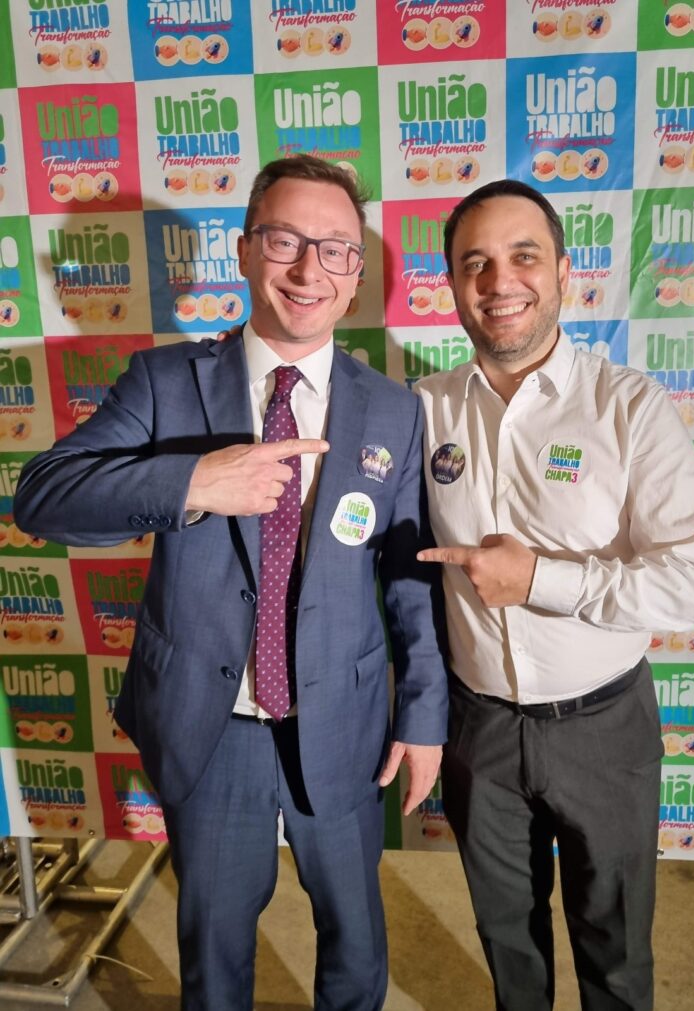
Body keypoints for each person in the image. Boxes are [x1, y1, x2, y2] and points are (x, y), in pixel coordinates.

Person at [13, 155, 449, 1011]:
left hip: (343, 722)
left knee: (357, 947)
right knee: (213, 959)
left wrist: (425, 712)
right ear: (246, 251)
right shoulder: (165, 382)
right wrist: (192, 483)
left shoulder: (394, 409)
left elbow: (408, 576)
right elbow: (43, 496)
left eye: (334, 248)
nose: (308, 269)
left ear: (356, 271)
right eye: (284, 240)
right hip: (212, 731)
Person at [415, 179, 694, 1011]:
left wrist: (540, 581)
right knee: (507, 944)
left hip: (603, 729)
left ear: (563, 272)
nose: (499, 281)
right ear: (451, 284)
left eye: (523, 256)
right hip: (478, 730)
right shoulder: (423, 410)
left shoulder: (629, 407)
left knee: (615, 950)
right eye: (475, 263)